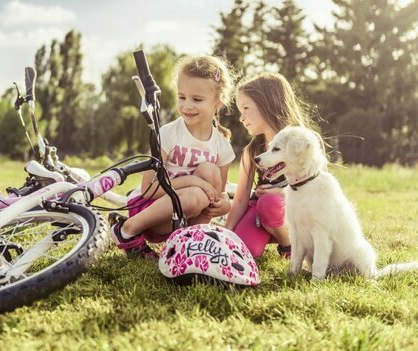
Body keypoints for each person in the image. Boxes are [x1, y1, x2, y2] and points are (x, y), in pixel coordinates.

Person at [111, 55, 237, 259]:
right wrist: (192, 181)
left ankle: (190, 242)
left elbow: (219, 194)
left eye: (197, 99)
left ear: (218, 103)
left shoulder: (222, 147)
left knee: (210, 172)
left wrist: (225, 205)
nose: (187, 105)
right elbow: (148, 189)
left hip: (183, 218)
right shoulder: (169, 134)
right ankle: (127, 229)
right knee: (196, 195)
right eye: (182, 97)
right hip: (149, 212)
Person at [224, 72, 314, 258]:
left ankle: (288, 244)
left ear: (268, 104)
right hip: (259, 212)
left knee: (270, 203)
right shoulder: (251, 151)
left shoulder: (301, 143)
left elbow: (317, 190)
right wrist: (226, 233)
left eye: (246, 108)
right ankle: (264, 234)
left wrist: (282, 193)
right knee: (243, 250)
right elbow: (240, 199)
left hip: (291, 214)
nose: (241, 118)